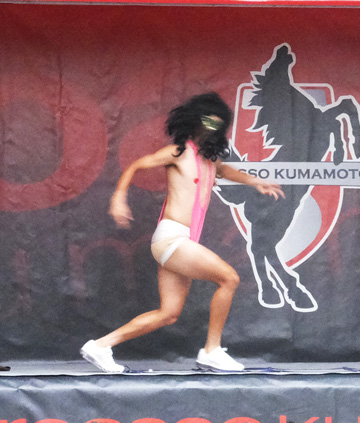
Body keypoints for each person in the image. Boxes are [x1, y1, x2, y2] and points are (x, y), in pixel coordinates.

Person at [80, 92, 284, 373]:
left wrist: (254, 182)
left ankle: (100, 346)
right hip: (171, 238)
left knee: (168, 314)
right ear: (195, 120)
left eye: (217, 123)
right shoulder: (178, 152)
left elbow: (224, 171)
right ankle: (212, 351)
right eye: (207, 121)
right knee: (229, 278)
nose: (211, 127)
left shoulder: (209, 161)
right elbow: (138, 165)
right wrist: (118, 197)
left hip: (181, 243)